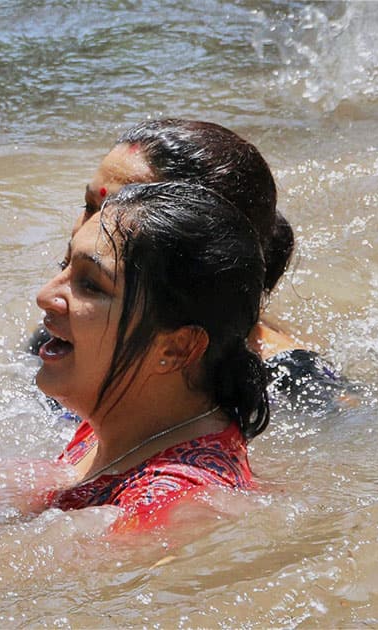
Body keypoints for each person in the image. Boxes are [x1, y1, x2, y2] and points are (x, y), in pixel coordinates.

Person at [30, 119, 346, 409]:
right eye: (90, 207)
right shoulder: (67, 333)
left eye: (115, 215)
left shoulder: (293, 384)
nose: (85, 232)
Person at [35, 181, 271, 528]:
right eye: (64, 265)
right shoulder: (122, 418)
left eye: (91, 285)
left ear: (176, 348)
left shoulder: (174, 506)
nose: (45, 295)